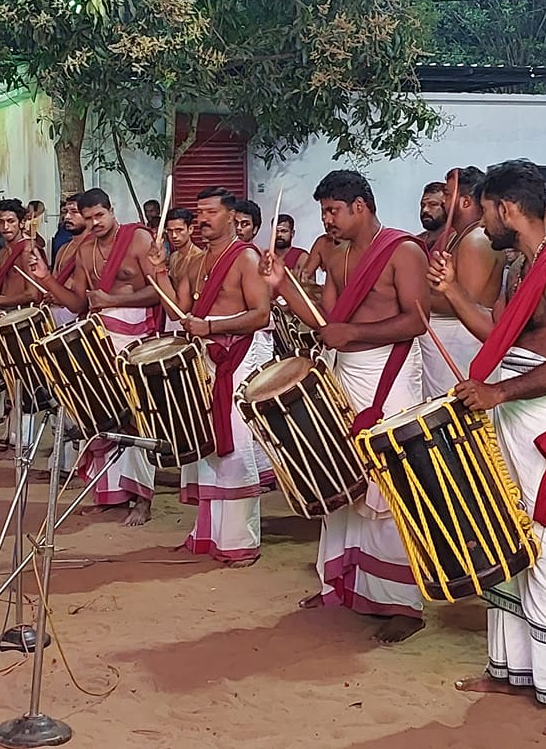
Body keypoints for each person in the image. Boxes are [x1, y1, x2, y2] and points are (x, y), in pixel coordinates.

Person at [431, 160, 546, 737]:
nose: (480, 221)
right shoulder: (524, 265)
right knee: (505, 533)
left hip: (545, 417)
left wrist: (497, 390)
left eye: (484, 210)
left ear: (507, 208)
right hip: (511, 407)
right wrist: (452, 292)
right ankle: (512, 668)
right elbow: (503, 333)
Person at [266, 169, 428, 643]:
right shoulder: (337, 256)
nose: (327, 221)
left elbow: (416, 321)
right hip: (347, 370)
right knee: (343, 474)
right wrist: (282, 285)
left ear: (361, 206)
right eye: (323, 212)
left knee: (392, 483)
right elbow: (328, 321)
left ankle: (404, 602)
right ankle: (344, 580)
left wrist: (352, 334)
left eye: (334, 211)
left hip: (390, 372)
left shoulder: (404, 251)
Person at [145, 187, 275, 566]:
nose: (202, 219)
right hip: (209, 355)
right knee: (208, 445)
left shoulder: (245, 258)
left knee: (233, 444)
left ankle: (239, 542)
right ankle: (209, 533)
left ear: (232, 217)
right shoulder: (199, 260)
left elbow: (261, 315)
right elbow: (181, 309)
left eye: (209, 213)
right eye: (199, 212)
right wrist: (158, 271)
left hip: (238, 355)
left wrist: (211, 326)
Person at [24, 189, 163, 523]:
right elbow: (77, 304)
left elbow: (158, 291)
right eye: (88, 218)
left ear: (112, 210)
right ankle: (111, 493)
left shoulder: (139, 239)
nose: (94, 223)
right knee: (100, 413)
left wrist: (114, 302)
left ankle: (143, 499)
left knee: (136, 417)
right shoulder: (84, 248)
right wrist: (44, 278)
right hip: (100, 338)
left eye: (99, 215)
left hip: (137, 338)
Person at [424, 167, 499, 399]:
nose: (443, 200)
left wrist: (413, 298)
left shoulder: (476, 239)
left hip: (463, 346)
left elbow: (466, 303)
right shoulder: (459, 236)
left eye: (447, 194)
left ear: (465, 202)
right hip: (450, 346)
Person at [0, 199, 42, 312]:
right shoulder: (3, 253)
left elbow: (32, 294)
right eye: (1, 222)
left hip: (22, 315)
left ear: (21, 223)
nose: (5, 227)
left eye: (11, 221)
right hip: (5, 313)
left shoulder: (27, 250)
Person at [417, 181, 448, 248]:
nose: (425, 210)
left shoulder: (456, 240)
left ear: (447, 206)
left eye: (433, 204)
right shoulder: (416, 242)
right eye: (423, 205)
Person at [51, 194, 83, 259]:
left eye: (74, 211)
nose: (67, 217)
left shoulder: (98, 246)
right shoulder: (63, 250)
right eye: (65, 212)